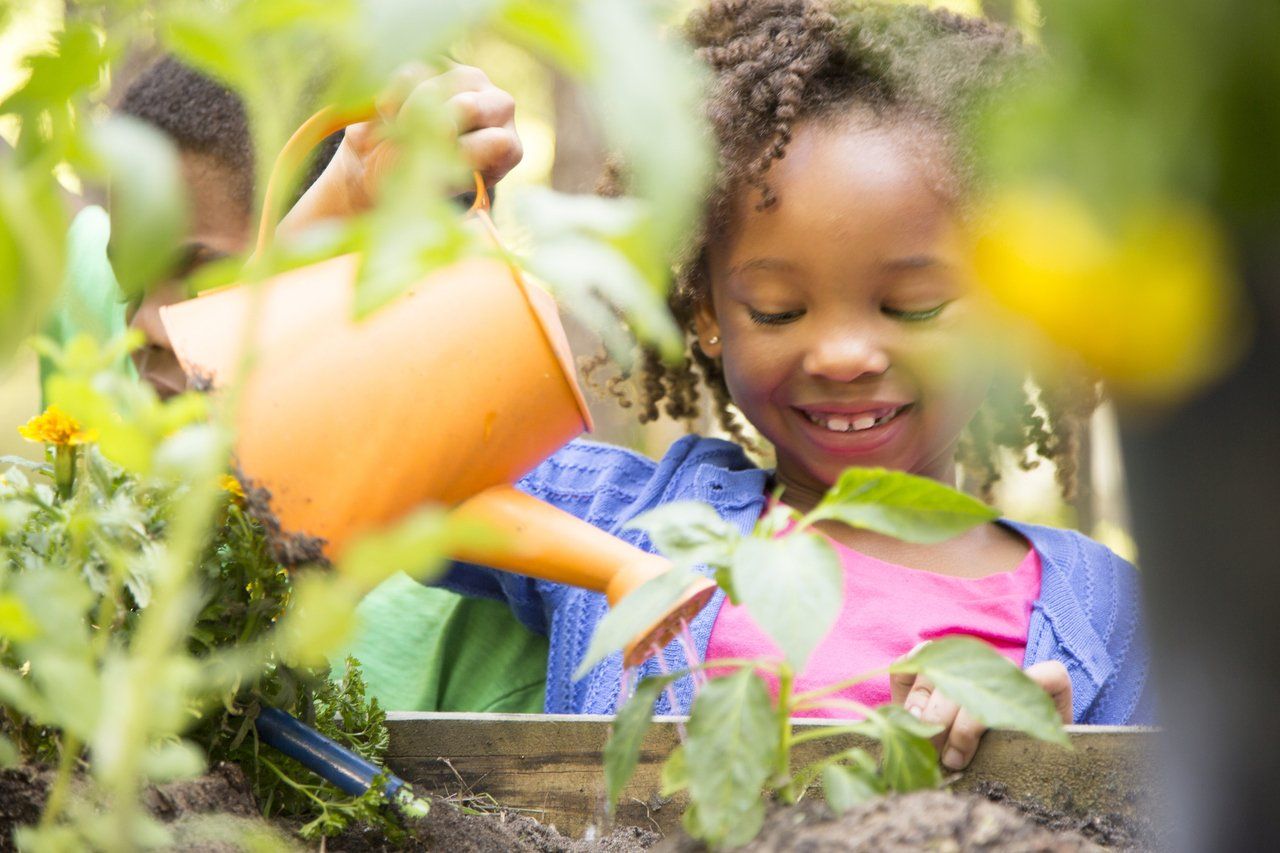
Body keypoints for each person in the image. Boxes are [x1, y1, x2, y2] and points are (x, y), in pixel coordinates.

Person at [427, 0, 1152, 769]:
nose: (842, 355)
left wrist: (1048, 764)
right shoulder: (621, 525)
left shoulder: (1109, 614)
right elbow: (387, 457)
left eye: (915, 306)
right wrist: (409, 205)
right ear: (707, 313)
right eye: (778, 311)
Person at [41, 56, 551, 714]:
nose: (141, 326)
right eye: (130, 283)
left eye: (201, 277)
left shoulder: (482, 618)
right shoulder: (113, 347)